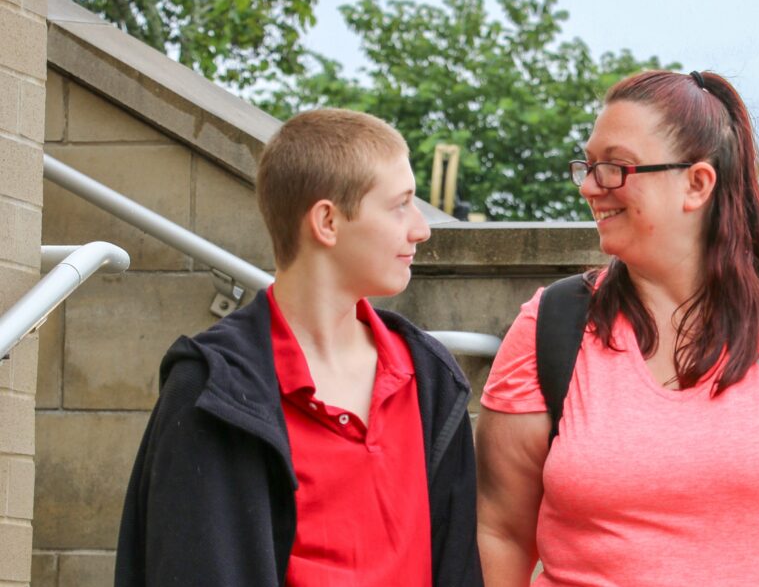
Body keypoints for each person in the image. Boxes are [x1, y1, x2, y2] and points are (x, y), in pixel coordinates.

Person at [476, 70, 759, 586]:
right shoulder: (549, 326)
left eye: (614, 168)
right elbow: (499, 529)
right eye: (588, 166)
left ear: (696, 183)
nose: (589, 186)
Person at [115, 109, 483, 586]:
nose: (421, 228)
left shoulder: (431, 379)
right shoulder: (212, 388)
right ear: (327, 221)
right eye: (400, 205)